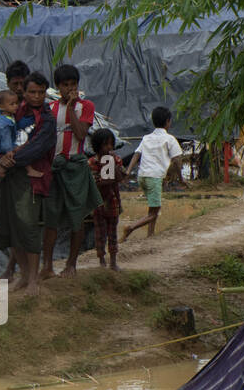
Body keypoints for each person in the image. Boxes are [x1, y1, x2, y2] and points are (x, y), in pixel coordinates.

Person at [0, 73, 56, 296]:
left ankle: (33, 280)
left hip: (31, 178)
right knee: (11, 226)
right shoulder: (13, 112)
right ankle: (23, 275)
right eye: (32, 92)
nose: (37, 96)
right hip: (11, 177)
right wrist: (0, 158)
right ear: (25, 93)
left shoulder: (47, 119)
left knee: (28, 227)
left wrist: (8, 162)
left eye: (41, 92)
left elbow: (37, 147)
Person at [42, 64, 102, 277]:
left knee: (77, 216)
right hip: (55, 167)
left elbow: (80, 134)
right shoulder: (49, 109)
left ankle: (71, 264)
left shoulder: (86, 106)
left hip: (75, 166)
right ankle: (47, 266)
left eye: (73, 84)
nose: (69, 88)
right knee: (51, 219)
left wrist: (70, 108)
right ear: (58, 87)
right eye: (65, 85)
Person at [122, 107, 184, 243]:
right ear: (168, 122)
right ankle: (130, 228)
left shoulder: (146, 138)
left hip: (142, 176)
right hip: (154, 178)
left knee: (153, 206)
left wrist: (128, 171)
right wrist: (181, 178)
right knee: (154, 212)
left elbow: (136, 155)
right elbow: (177, 160)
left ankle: (150, 235)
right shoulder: (170, 139)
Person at [88, 129, 127, 270]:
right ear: (98, 146)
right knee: (100, 232)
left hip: (112, 200)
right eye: (106, 145)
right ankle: (101, 260)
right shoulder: (92, 162)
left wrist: (114, 168)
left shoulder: (115, 160)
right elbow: (93, 183)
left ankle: (113, 261)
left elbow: (121, 177)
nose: (109, 148)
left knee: (112, 232)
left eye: (111, 144)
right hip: (98, 203)